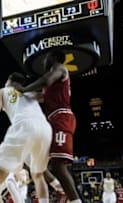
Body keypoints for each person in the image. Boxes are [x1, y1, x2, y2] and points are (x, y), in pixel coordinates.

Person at [0, 72, 52, 203]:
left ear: (9, 80)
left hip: (23, 126)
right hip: (45, 128)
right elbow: (46, 97)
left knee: (0, 174)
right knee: (38, 175)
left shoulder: (3, 91)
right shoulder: (29, 93)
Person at [15, 50, 82, 203]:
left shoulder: (59, 69)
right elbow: (39, 97)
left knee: (59, 166)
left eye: (46, 58)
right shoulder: (51, 83)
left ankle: (74, 200)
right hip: (52, 121)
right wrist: (19, 96)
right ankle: (59, 187)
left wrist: (24, 89)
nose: (43, 62)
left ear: (54, 57)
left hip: (61, 118)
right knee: (36, 159)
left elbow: (45, 81)